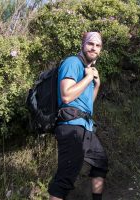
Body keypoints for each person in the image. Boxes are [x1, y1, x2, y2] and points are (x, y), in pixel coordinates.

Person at [48, 32, 108, 200]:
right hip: (71, 127)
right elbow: (66, 95)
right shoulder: (72, 62)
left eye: (98, 45)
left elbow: (87, 104)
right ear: (83, 44)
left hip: (85, 127)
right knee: (65, 177)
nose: (94, 48)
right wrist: (88, 77)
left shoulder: (87, 70)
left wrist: (96, 84)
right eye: (90, 44)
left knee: (100, 163)